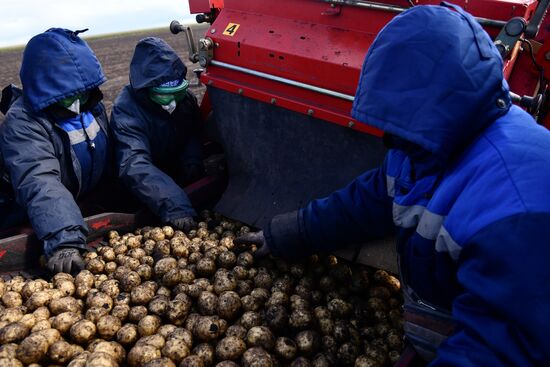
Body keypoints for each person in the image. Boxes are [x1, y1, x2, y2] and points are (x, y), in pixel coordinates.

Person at [235, 3, 550, 366]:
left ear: (439, 102)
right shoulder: (424, 143)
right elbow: (365, 203)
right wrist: (287, 233)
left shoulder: (519, 202)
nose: (391, 136)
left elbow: (502, 348)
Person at [0, 28, 111, 274]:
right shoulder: (23, 122)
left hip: (76, 202)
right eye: (70, 96)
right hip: (27, 214)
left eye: (83, 93)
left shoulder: (90, 104)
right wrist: (65, 238)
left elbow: (113, 155)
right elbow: (39, 180)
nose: (77, 101)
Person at [111, 37, 203, 232]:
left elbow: (192, 133)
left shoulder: (186, 101)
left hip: (172, 179)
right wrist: (174, 204)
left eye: (177, 93)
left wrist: (192, 163)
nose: (171, 102)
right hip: (142, 189)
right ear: (145, 91)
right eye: (163, 95)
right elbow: (133, 163)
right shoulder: (126, 110)